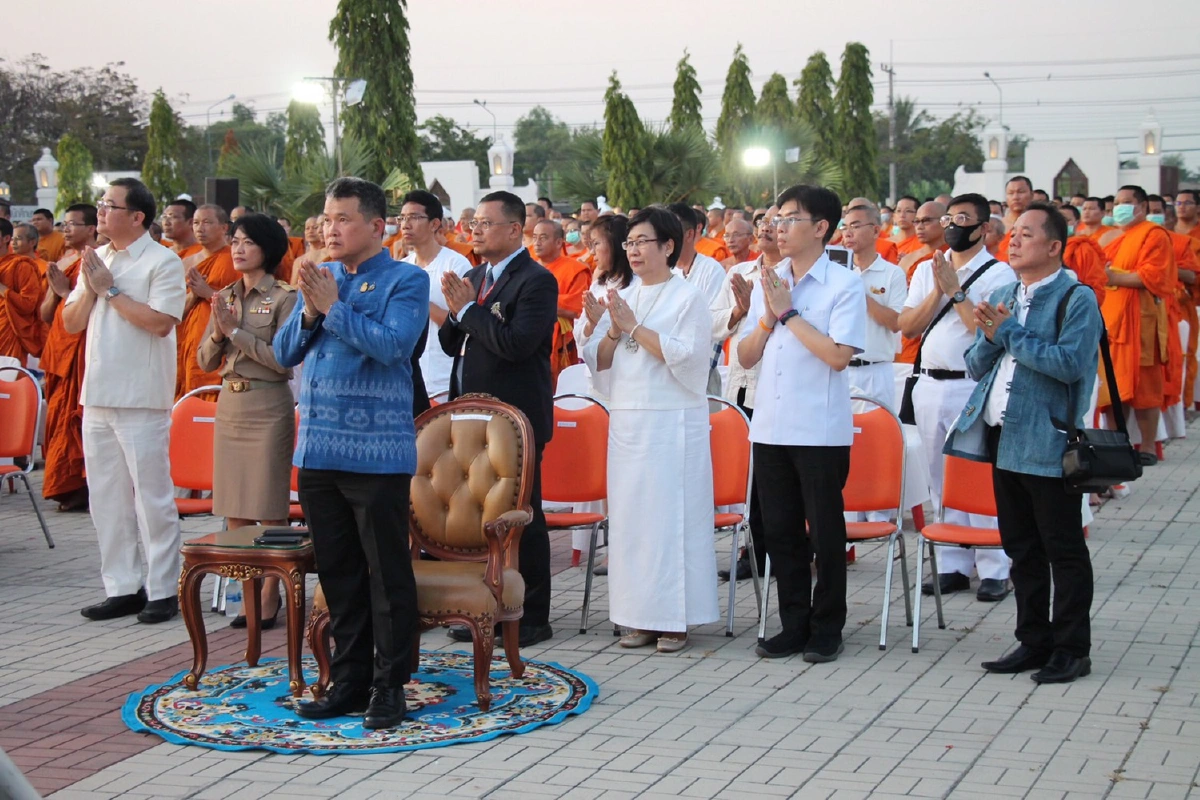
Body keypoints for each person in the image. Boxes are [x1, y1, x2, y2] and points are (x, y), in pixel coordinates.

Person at [276, 177, 428, 729]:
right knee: (338, 572)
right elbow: (284, 350)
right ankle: (348, 681)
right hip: (318, 450)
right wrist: (314, 310)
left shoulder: (407, 280)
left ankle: (391, 687)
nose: (329, 228)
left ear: (376, 226)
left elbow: (393, 347)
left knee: (387, 576)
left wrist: (334, 308)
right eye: (325, 218)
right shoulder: (322, 277)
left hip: (377, 456)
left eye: (342, 218)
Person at [946, 202, 1102, 685]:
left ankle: (1072, 648)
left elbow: (1068, 364)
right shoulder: (1009, 292)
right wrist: (993, 334)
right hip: (1004, 436)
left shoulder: (1076, 298)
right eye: (1012, 233)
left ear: (1054, 247)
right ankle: (1033, 640)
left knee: (1063, 548)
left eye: (1027, 234)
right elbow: (975, 363)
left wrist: (1008, 331)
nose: (1013, 241)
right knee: (1022, 547)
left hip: (1049, 439)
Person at [738, 185, 866, 663]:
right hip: (769, 426)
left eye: (790, 218)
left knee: (826, 532)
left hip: (818, 429)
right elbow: (747, 356)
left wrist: (788, 312)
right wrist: (769, 317)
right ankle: (793, 623)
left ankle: (827, 625)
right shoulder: (769, 280)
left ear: (820, 229)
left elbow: (837, 356)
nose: (778, 227)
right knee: (779, 531)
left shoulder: (843, 285)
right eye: (776, 218)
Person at [581, 206, 718, 653]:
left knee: (670, 521)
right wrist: (611, 331)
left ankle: (675, 619)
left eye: (643, 242)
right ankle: (637, 617)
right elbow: (598, 359)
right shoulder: (625, 294)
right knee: (632, 522)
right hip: (629, 420)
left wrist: (632, 328)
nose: (634, 251)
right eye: (629, 243)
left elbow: (690, 359)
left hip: (673, 421)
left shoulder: (687, 297)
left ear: (669, 246)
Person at [62, 178, 186, 624]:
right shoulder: (98, 260)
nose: (100, 211)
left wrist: (112, 291)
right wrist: (94, 287)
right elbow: (71, 321)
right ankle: (121, 586)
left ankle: (161, 590)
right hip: (97, 394)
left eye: (110, 205)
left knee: (151, 498)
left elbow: (159, 323)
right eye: (100, 203)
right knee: (106, 497)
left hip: (140, 397)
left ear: (137, 217)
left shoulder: (162, 261)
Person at [439, 190, 558, 648]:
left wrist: (469, 310)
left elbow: (517, 344)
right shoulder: (474, 275)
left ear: (514, 229)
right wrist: (458, 312)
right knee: (475, 513)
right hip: (470, 413)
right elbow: (452, 343)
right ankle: (480, 606)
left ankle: (531, 616)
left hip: (515, 417)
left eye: (486, 224)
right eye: (475, 224)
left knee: (521, 513)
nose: (476, 231)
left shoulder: (536, 280)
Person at [898, 193, 1017, 602]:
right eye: (949, 217)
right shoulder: (925, 268)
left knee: (979, 475)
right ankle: (950, 563)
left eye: (962, 218)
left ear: (984, 228)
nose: (952, 225)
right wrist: (937, 288)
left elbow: (987, 331)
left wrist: (957, 291)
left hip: (972, 384)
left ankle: (994, 566)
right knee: (938, 477)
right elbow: (908, 326)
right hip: (930, 384)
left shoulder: (999, 273)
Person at [197, 213, 298, 630]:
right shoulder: (225, 296)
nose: (237, 248)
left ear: (268, 249)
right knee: (236, 508)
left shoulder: (284, 297)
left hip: (268, 405)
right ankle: (247, 594)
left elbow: (282, 360)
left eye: (247, 242)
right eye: (234, 241)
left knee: (271, 508)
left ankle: (273, 596)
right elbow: (204, 359)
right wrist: (221, 331)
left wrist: (237, 332)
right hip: (231, 405)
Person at [712, 206, 783, 583]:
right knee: (752, 476)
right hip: (744, 385)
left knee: (782, 475)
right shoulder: (739, 273)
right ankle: (753, 549)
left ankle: (792, 548)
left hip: (784, 388)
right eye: (763, 223)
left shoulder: (796, 273)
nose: (768, 228)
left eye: (777, 222)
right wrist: (738, 311)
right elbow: (713, 325)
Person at [1097, 185, 1176, 459]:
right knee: (1114, 386)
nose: (1119, 207)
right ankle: (1119, 444)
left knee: (1145, 387)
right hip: (1112, 321)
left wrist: (1115, 278)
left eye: (1126, 202)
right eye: (1116, 202)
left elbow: (1155, 278)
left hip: (1142, 323)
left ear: (1141, 207)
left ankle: (1147, 447)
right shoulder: (1113, 238)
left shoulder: (1154, 235)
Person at [40, 204, 97, 513]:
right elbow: (46, 316)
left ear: (91, 229)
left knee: (79, 419)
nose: (66, 229)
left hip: (84, 353)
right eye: (65, 223)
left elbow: (96, 313)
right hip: (61, 354)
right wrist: (55, 292)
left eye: (74, 224)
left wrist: (65, 293)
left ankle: (83, 487)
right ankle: (65, 485)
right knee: (59, 418)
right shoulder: (63, 262)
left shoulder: (97, 261)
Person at [396, 189, 472, 398]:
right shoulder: (401, 268)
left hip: (444, 374)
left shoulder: (454, 264)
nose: (405, 224)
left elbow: (463, 324)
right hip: (409, 374)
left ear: (435, 224)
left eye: (414, 217)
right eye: (402, 218)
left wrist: (422, 305)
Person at [841, 203, 907, 409]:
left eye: (856, 226)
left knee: (875, 437)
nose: (848, 233)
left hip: (875, 371)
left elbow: (896, 322)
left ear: (876, 230)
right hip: (840, 369)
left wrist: (858, 292)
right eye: (845, 227)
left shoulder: (892, 273)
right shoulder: (836, 271)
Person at [175, 205, 237, 398]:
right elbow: (173, 311)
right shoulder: (185, 261)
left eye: (207, 222)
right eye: (195, 223)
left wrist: (207, 292)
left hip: (218, 344)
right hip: (187, 341)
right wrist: (193, 295)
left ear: (224, 228)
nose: (200, 228)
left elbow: (242, 305)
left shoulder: (234, 260)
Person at [532, 220, 591, 386]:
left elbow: (577, 307)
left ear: (559, 242)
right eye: (535, 237)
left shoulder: (574, 269)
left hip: (561, 345)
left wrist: (535, 302)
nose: (537, 242)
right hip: (529, 340)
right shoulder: (527, 268)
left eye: (543, 238)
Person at [895, 201, 948, 374]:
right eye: (917, 221)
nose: (919, 227)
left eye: (926, 221)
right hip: (909, 326)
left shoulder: (952, 257)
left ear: (944, 222)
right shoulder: (908, 259)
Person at [0, 220, 45, 363]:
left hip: (9, 332)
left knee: (8, 381)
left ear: (6, 238)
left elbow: (28, 304)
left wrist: (2, 289)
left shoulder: (21, 266)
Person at [667, 204, 726, 306]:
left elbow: (713, 316)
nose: (664, 237)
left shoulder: (712, 270)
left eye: (670, 231)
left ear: (689, 234)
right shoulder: (659, 269)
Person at [1056, 205, 1109, 301]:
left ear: (1077, 223)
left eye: (1067, 221)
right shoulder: (1046, 248)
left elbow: (1096, 286)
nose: (1062, 225)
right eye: (1058, 222)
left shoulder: (1084, 249)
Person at [994, 176, 1034, 262]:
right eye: (1011, 193)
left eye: (1021, 192)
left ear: (1031, 195)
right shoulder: (998, 225)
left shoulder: (1037, 224)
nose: (1015, 197)